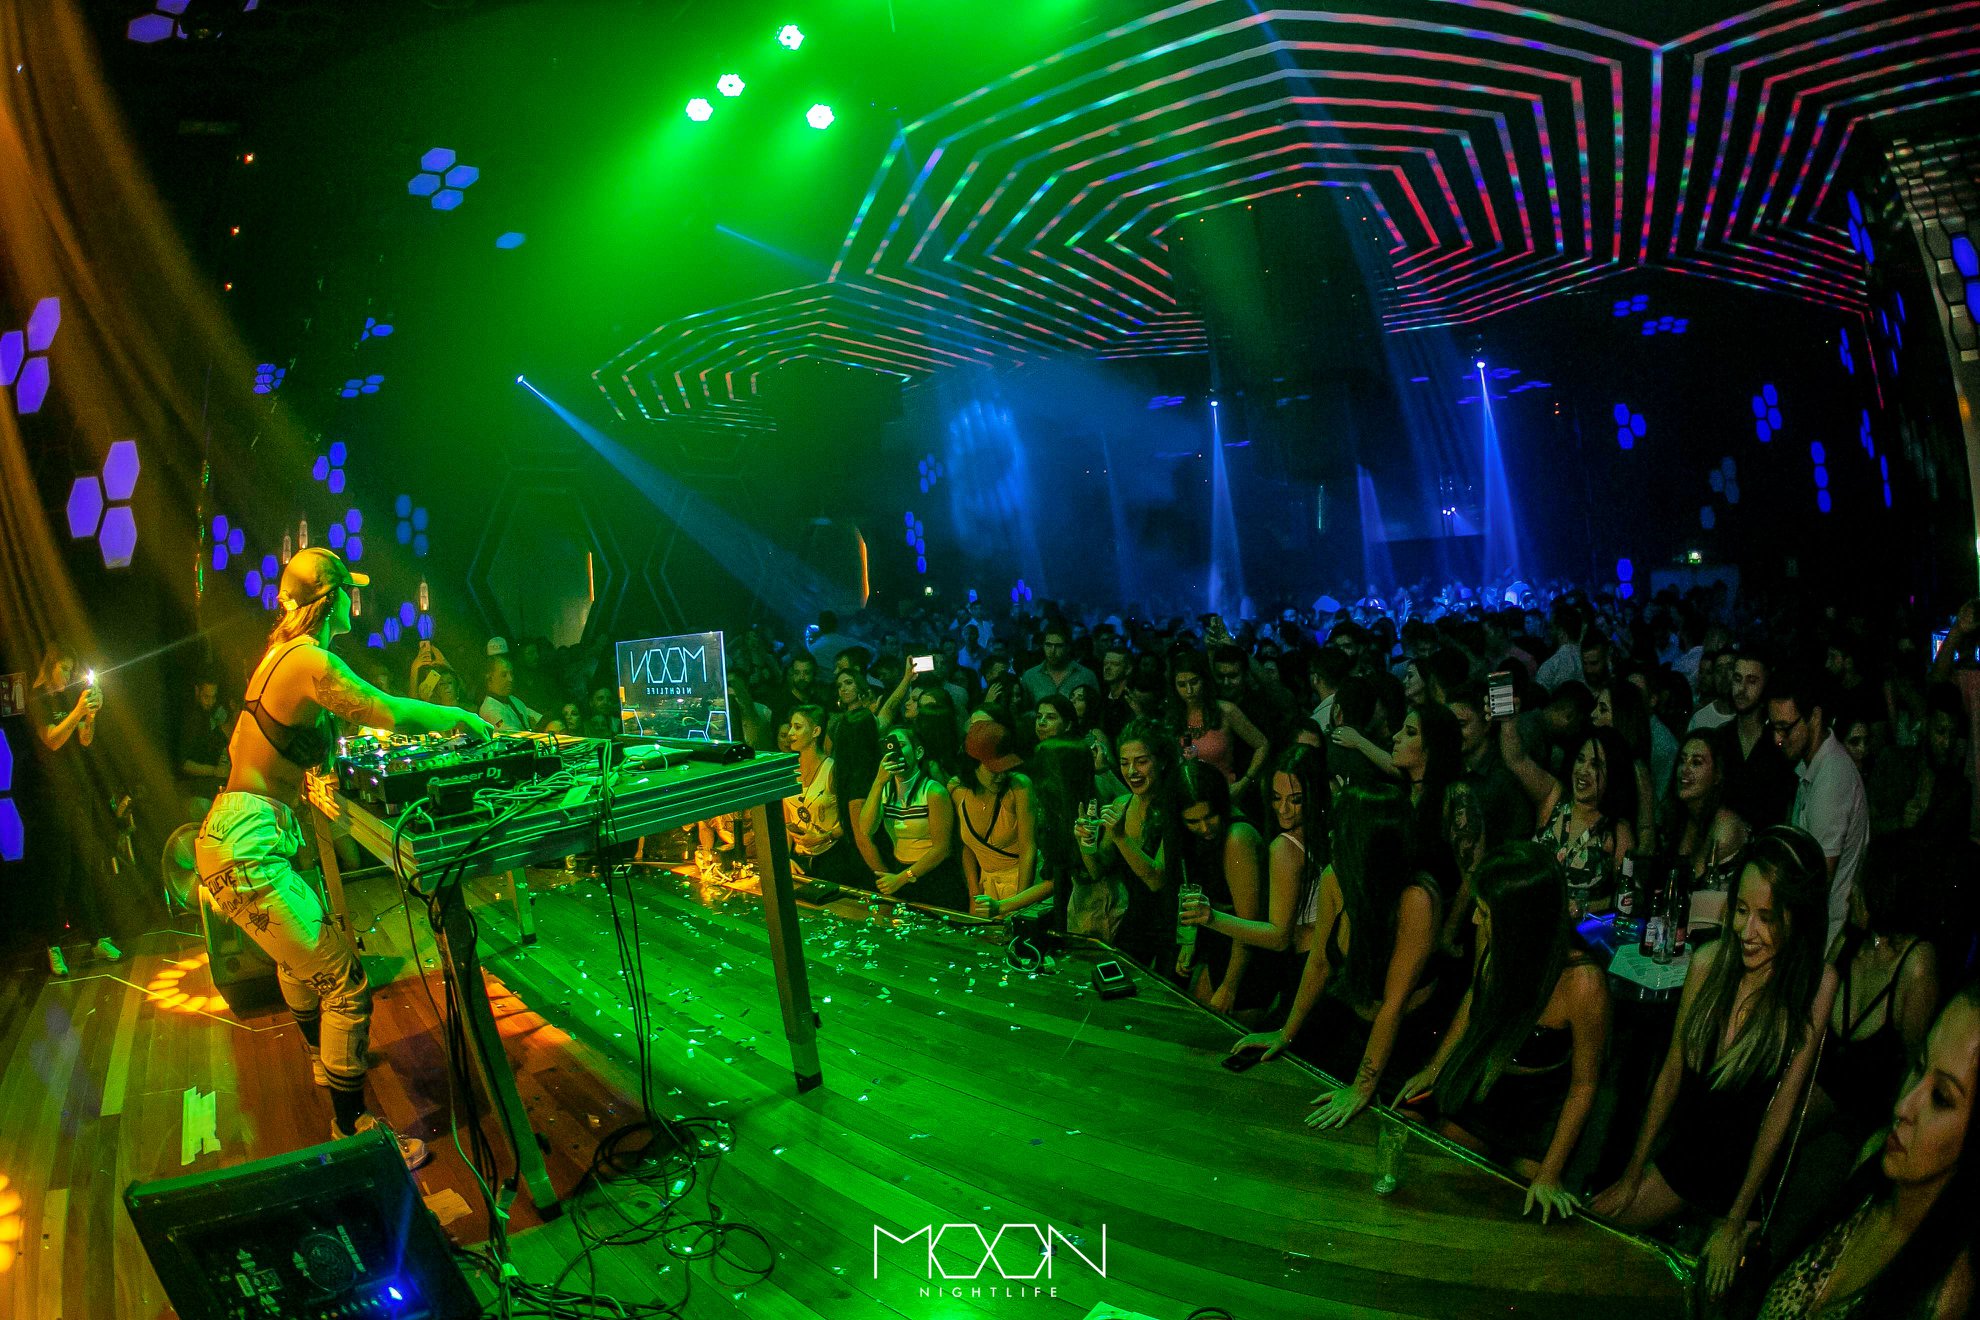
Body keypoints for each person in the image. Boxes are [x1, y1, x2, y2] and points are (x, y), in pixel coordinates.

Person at [197, 548, 493, 1169]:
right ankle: (352, 1128)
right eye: (348, 593)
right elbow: (387, 709)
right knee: (345, 983)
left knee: (302, 961)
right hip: (248, 848)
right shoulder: (310, 659)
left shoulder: (280, 656)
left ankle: (320, 1061)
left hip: (239, 837)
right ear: (330, 600)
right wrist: (459, 716)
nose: (356, 603)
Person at [1590, 827, 1839, 1299]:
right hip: (1689, 1157)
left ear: (1799, 918)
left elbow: (1781, 1111)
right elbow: (1669, 1076)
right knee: (1594, 1238)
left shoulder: (1816, 985)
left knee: (1706, 1295)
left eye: (1767, 917)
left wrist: (1735, 1219)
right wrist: (1632, 1174)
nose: (1748, 931)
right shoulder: (1707, 964)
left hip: (1746, 1182)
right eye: (1741, 911)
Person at [1394, 844, 1610, 1222]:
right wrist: (1436, 1067)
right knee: (1427, 1169)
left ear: (1518, 920)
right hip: (1487, 1086)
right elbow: (1473, 999)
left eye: (1484, 912)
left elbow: (1584, 1085)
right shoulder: (1492, 943)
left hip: (1539, 1113)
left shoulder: (1582, 983)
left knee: (1519, 1211)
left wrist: (1549, 1173)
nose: (1475, 920)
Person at [1755, 982, 1979, 1318]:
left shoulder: (1944, 1297)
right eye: (1918, 1066)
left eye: (1941, 1097)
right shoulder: (1872, 1168)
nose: (1904, 1106)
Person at [1228, 784, 1440, 1130]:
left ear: (1370, 840)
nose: (1329, 834)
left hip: (1406, 1040)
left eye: (1340, 828)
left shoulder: (1416, 898)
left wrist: (1361, 1088)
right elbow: (1319, 963)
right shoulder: (1335, 876)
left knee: (1375, 1126)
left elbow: (1394, 1004)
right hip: (1352, 1019)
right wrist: (1286, 1032)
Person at [1181, 745, 1328, 1019]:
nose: (1283, 809)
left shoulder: (1284, 847)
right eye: (1276, 797)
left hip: (1305, 966)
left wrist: (1210, 917)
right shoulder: (1324, 833)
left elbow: (1279, 937)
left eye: (1295, 799)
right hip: (1321, 964)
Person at [1811, 836, 1941, 1148]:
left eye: (1859, 884)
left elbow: (1914, 1067)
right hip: (1812, 1105)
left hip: (1861, 1129)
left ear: (1883, 890)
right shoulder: (1851, 941)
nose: (1850, 895)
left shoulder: (1916, 965)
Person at [1771, 668, 1870, 953]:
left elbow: (1817, 879)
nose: (1778, 739)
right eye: (1773, 727)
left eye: (1785, 728)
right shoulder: (1814, 767)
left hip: (1823, 941)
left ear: (1814, 717)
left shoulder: (1832, 777)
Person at [1501, 715, 1636, 919]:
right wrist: (1508, 721)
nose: (1583, 770)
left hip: (1576, 933)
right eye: (1580, 760)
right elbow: (1516, 760)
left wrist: (1585, 907)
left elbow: (1630, 896)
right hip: (1525, 920)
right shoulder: (1553, 796)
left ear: (1613, 772)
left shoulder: (1617, 831)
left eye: (1595, 765)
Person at [31, 643, 110, 974]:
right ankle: (53, 945)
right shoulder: (37, 699)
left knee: (84, 865)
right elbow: (51, 739)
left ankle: (96, 938)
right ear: (50, 666)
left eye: (71, 669)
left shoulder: (68, 698)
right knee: (59, 871)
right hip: (51, 794)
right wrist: (78, 711)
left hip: (79, 789)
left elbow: (84, 740)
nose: (68, 675)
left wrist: (91, 716)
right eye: (63, 668)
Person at [1170, 762, 1269, 1009]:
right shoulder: (1194, 839)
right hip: (1221, 947)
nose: (1204, 828)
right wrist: (1190, 945)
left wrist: (1229, 987)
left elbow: (1248, 925)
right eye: (1193, 821)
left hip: (1247, 960)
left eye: (1210, 816)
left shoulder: (1237, 838)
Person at [1080, 717, 1176, 970]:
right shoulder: (1122, 803)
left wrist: (1120, 836)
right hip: (1135, 924)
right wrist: (1085, 842)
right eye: (1124, 763)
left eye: (1141, 762)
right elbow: (1096, 869)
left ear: (1162, 761)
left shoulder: (1175, 806)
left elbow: (1156, 880)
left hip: (1173, 926)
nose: (1131, 771)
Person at [857, 724, 967, 910]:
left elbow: (942, 848)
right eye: (890, 746)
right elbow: (866, 829)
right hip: (901, 869)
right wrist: (878, 782)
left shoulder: (933, 792)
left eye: (900, 745)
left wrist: (903, 878)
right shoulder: (886, 790)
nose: (895, 751)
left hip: (933, 876)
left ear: (918, 752)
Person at [1661, 729, 1750, 942]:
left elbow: (1690, 883)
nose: (1685, 770)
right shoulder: (1682, 820)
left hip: (1721, 938)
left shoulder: (1726, 824)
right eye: (1682, 761)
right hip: (1684, 932)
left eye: (1696, 762)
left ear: (1718, 774)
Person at [953, 721, 1050, 918]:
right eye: (994, 770)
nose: (1002, 776)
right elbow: (967, 847)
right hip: (987, 890)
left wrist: (1018, 906)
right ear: (973, 764)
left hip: (1024, 884)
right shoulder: (956, 789)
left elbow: (1028, 848)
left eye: (1006, 768)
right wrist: (974, 894)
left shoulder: (1019, 786)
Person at [782, 705, 869, 891]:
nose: (790, 733)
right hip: (798, 860)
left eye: (798, 727)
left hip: (832, 859)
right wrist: (786, 857)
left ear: (816, 731)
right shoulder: (788, 770)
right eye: (790, 726)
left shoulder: (832, 770)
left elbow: (851, 821)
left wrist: (824, 837)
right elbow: (786, 821)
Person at [1169, 650, 1270, 798]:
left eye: (1194, 682)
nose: (1189, 691)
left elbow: (1262, 745)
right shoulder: (1173, 717)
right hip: (1188, 797)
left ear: (1204, 680)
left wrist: (1244, 782)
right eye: (1182, 685)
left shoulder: (1225, 710)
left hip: (1223, 795)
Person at [175, 675, 232, 823]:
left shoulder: (207, 714)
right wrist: (215, 771)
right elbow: (184, 764)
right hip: (190, 793)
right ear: (197, 691)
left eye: (213, 697)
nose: (210, 702)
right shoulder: (192, 720)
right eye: (206, 697)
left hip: (200, 791)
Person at [1017, 622, 1099, 708]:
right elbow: (1025, 712)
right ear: (1043, 646)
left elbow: (1096, 711)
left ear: (1068, 647)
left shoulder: (1086, 676)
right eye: (1048, 645)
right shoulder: (1030, 677)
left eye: (1059, 646)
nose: (1052, 651)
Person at [478, 655, 540, 733]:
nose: (510, 679)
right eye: (504, 675)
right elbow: (511, 735)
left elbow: (537, 717)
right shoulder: (491, 710)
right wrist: (536, 730)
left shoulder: (513, 699)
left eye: (511, 674)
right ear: (490, 679)